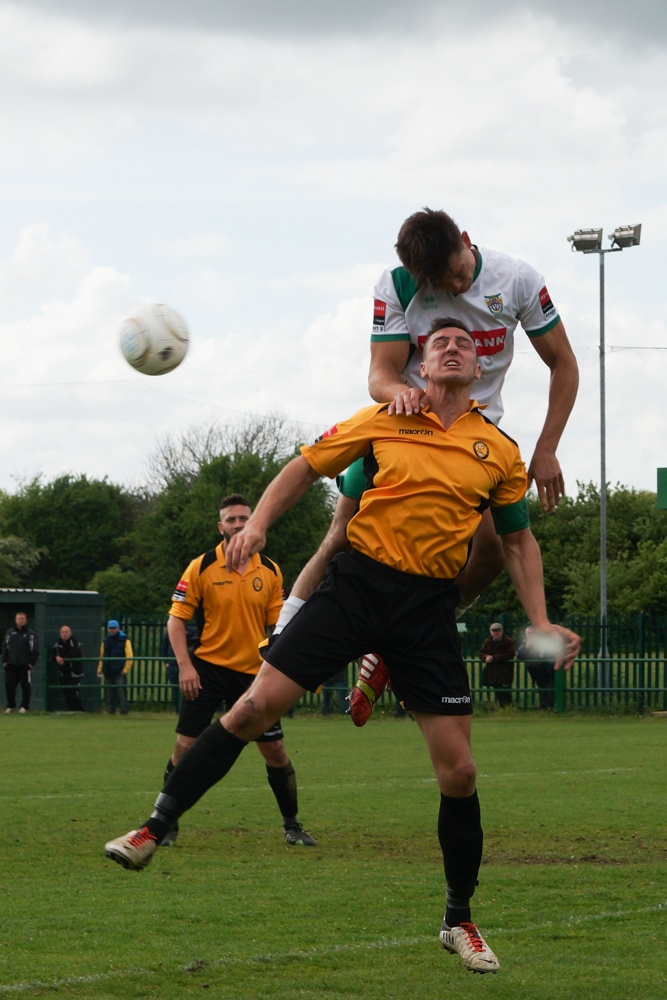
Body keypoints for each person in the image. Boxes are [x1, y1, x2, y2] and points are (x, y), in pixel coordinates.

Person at [104, 320, 581, 975]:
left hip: (426, 611)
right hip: (356, 588)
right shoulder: (382, 417)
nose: (449, 346)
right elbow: (302, 466)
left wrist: (540, 619)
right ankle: (151, 829)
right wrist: (260, 525)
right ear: (418, 362)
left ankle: (457, 919)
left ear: (480, 369)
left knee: (460, 773)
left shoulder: (496, 448)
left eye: (463, 343)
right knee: (250, 710)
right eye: (436, 341)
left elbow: (517, 542)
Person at [273, 207, 579, 723]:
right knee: (340, 536)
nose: (454, 287)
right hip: (403, 430)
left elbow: (564, 363)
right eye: (441, 283)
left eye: (459, 274)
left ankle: (404, 636)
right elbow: (380, 375)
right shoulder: (396, 285)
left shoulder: (519, 280)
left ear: (466, 239)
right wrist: (406, 398)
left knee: (489, 553)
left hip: (475, 436)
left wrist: (545, 448)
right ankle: (280, 639)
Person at [149, 493, 313, 850]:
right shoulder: (201, 566)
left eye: (244, 518)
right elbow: (176, 621)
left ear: (253, 522)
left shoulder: (269, 570)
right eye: (231, 519)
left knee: (276, 752)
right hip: (206, 670)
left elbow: (279, 627)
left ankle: (292, 825)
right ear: (220, 526)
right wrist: (185, 667)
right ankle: (167, 825)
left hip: (254, 676)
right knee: (184, 747)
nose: (238, 524)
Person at [3, 611, 38, 714]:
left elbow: (34, 649)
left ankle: (24, 706)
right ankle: (10, 706)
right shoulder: (10, 633)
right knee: (9, 686)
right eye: (18, 618)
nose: (20, 620)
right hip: (11, 665)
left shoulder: (30, 634)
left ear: (26, 620)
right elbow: (5, 647)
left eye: (22, 618)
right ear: (15, 620)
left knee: (26, 686)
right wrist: (5, 661)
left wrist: (31, 662)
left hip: (24, 665)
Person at [97, 620, 133, 715]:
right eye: (110, 628)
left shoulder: (125, 640)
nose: (112, 630)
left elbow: (129, 656)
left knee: (121, 691)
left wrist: (125, 670)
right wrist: (100, 668)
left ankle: (124, 710)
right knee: (109, 692)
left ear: (118, 628)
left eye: (114, 628)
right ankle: (110, 710)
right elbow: (102, 655)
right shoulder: (106, 640)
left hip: (119, 670)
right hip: (108, 669)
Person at [517, 626, 557, 710]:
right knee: (542, 686)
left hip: (548, 668)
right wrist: (527, 647)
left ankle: (552, 705)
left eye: (532, 633)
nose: (531, 635)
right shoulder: (526, 643)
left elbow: (546, 654)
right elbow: (520, 655)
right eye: (529, 634)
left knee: (551, 686)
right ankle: (544, 705)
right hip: (536, 669)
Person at [160, 624, 198, 714]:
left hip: (188, 666)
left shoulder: (192, 631)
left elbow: (195, 646)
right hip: (172, 665)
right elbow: (163, 648)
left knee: (190, 689)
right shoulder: (169, 633)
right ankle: (177, 710)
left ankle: (189, 711)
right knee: (175, 689)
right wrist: (166, 663)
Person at [479, 623, 516, 708]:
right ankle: (502, 708)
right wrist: (486, 657)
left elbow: (510, 654)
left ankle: (507, 708)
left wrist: (494, 658)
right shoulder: (487, 641)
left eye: (498, 631)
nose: (496, 633)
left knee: (504, 691)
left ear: (502, 631)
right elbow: (481, 653)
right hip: (492, 671)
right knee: (497, 689)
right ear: (490, 632)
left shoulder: (508, 641)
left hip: (505, 671)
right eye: (494, 631)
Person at [52, 625, 84, 712]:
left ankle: (79, 710)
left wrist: (64, 659)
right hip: (64, 672)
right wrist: (56, 657)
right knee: (67, 692)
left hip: (75, 672)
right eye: (62, 632)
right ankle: (71, 710)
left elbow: (74, 653)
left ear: (70, 633)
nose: (64, 634)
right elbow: (52, 653)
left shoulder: (75, 642)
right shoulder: (57, 644)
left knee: (75, 691)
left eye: (66, 632)